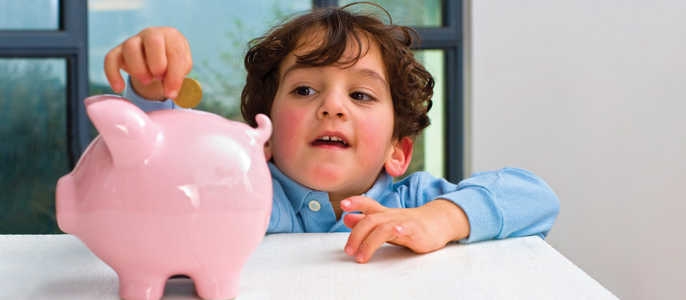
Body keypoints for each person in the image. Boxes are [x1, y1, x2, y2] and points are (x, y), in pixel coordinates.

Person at [103, 3, 559, 263]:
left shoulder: (413, 202)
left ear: (398, 153)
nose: (332, 106)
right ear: (261, 138)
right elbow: (154, 186)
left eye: (361, 95)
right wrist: (151, 92)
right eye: (304, 89)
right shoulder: (239, 199)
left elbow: (536, 198)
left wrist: (441, 220)